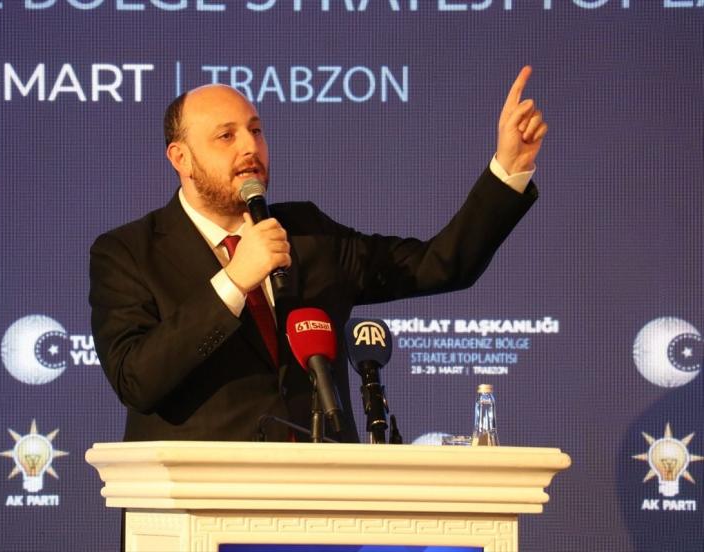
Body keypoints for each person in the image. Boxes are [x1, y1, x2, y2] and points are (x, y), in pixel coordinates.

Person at [89, 66, 547, 443]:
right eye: (226, 136)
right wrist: (233, 281)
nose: (250, 147)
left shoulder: (308, 234)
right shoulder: (128, 252)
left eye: (255, 131)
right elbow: (137, 380)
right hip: (198, 501)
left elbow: (439, 264)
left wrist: (509, 169)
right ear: (181, 158)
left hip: (322, 491)